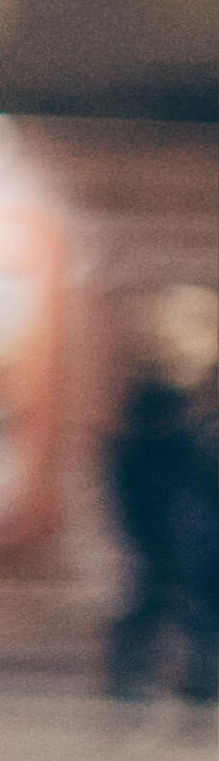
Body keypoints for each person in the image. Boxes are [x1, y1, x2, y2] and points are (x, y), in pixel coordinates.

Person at [103, 280, 219, 724]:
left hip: (187, 518)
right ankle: (144, 679)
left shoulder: (187, 401)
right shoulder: (159, 400)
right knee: (157, 596)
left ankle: (193, 682)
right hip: (168, 519)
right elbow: (140, 470)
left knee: (187, 600)